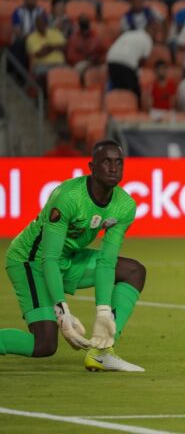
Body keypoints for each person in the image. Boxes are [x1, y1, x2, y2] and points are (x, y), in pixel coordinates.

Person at [1, 140, 146, 372]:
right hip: (31, 261)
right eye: (106, 162)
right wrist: (62, 311)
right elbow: (49, 258)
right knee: (44, 344)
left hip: (68, 259)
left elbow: (106, 262)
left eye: (119, 162)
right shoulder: (68, 196)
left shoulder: (124, 205)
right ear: (92, 167)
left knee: (133, 271)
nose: (113, 168)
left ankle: (102, 352)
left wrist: (103, 311)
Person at [107, 20, 160, 105]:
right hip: (127, 63)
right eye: (155, 31)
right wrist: (137, 71)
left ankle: (116, 107)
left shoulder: (130, 33)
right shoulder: (148, 39)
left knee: (118, 89)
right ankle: (136, 109)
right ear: (150, 29)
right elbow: (143, 61)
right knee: (134, 92)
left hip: (112, 59)